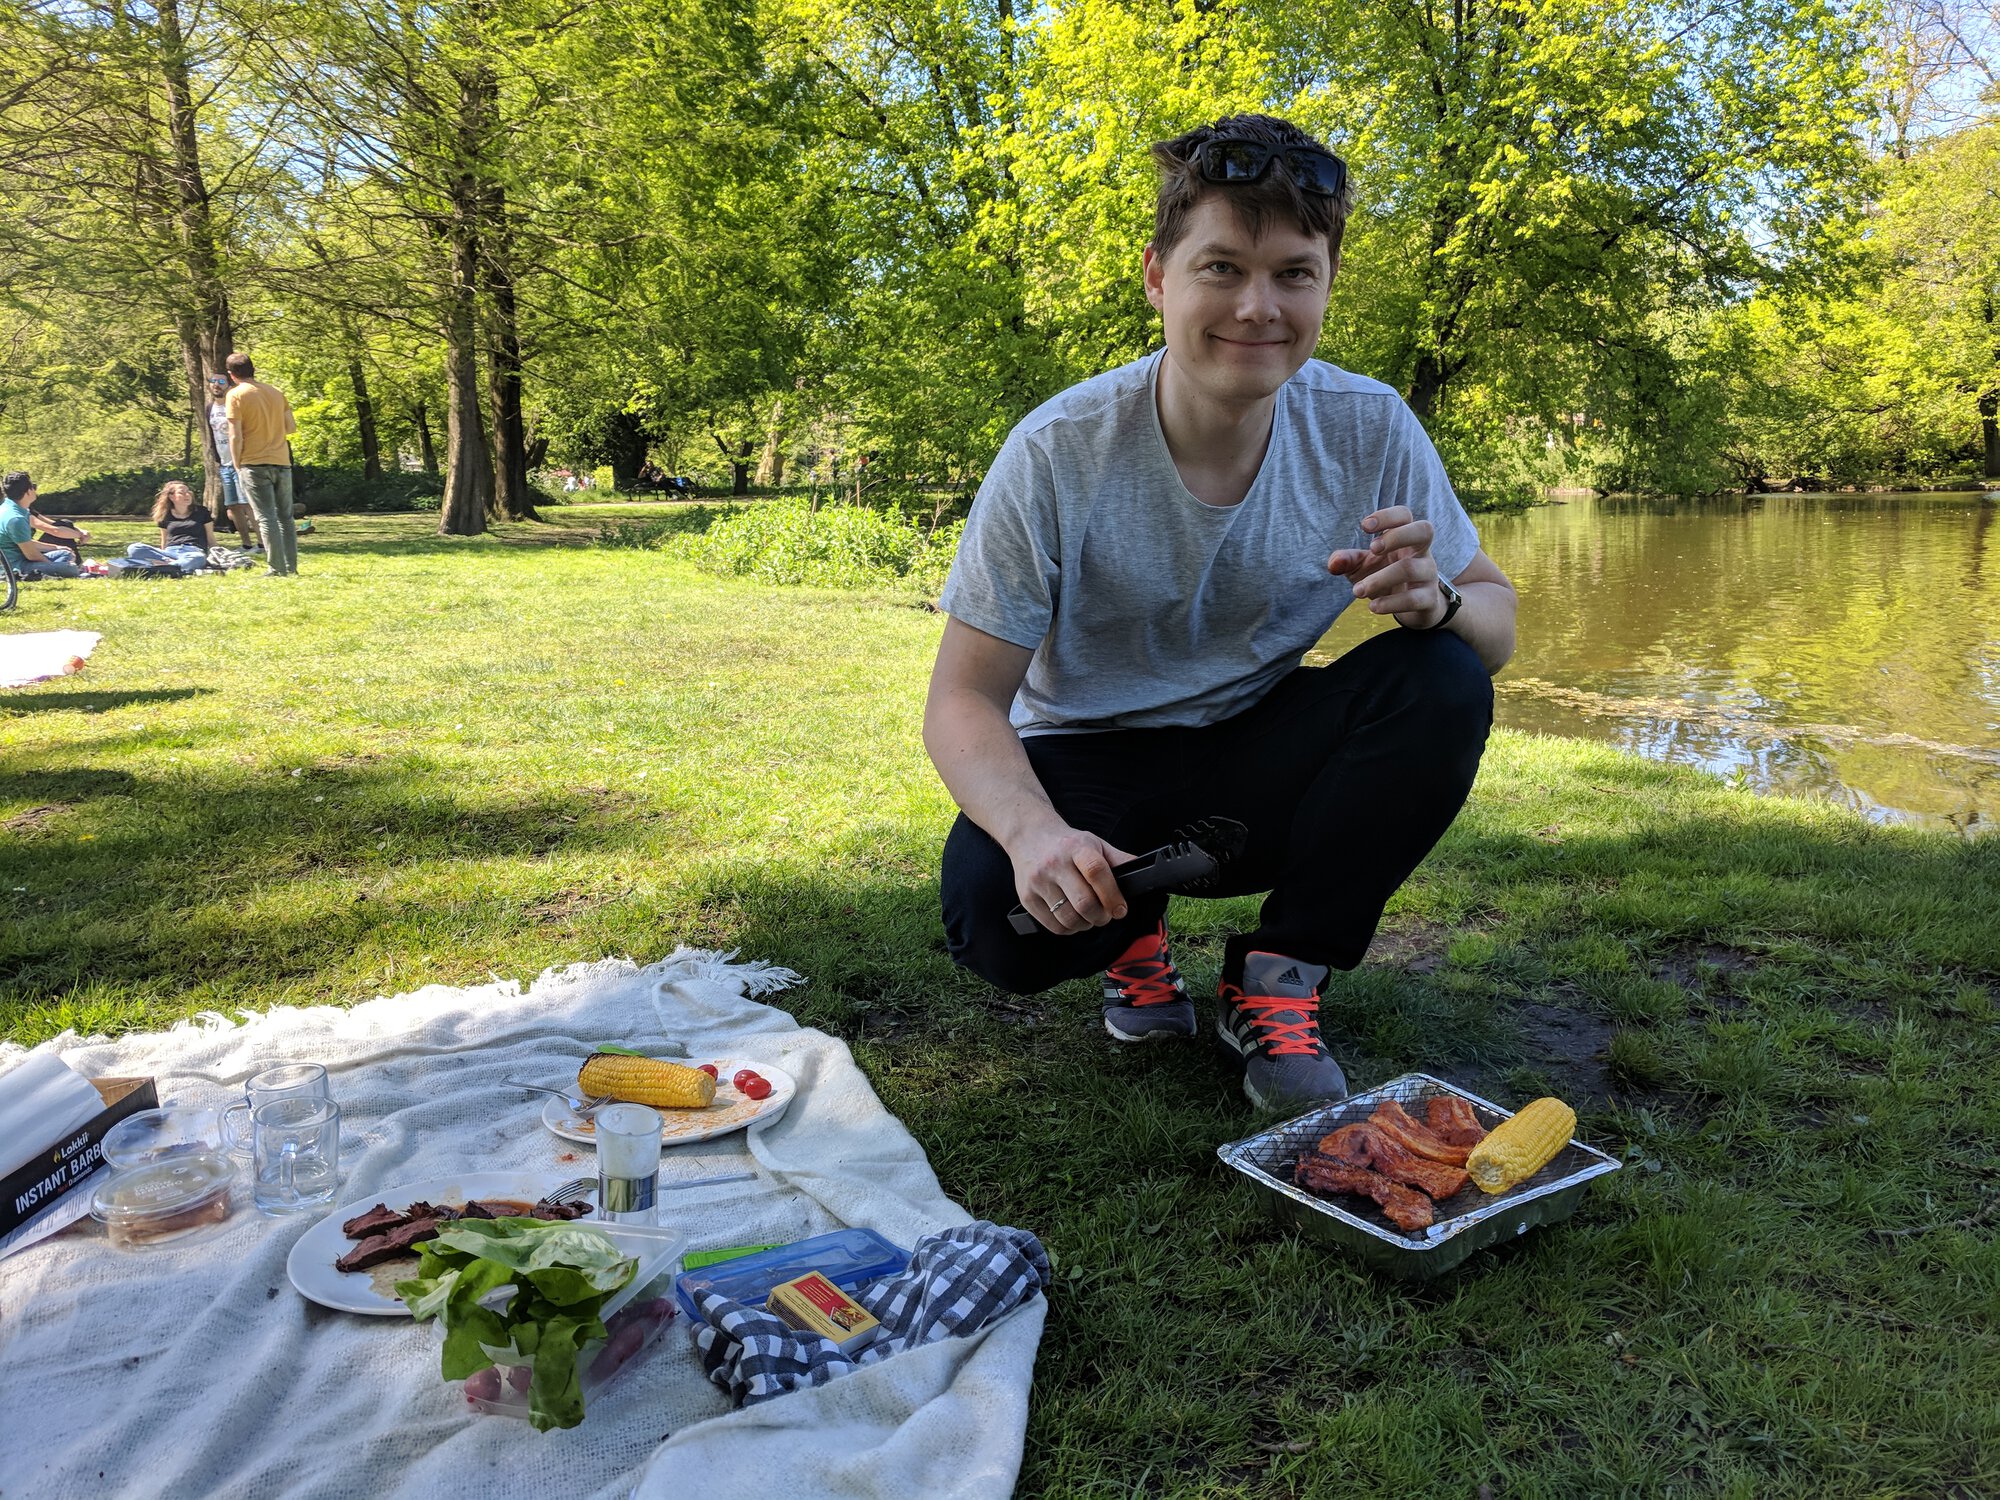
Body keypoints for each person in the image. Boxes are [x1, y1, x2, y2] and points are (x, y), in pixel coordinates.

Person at [923, 115, 1518, 1110]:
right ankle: (1131, 930)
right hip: (1087, 755)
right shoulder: (1057, 450)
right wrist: (1032, 835)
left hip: (1255, 747)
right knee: (996, 925)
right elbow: (962, 701)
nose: (1257, 307)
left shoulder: (1366, 422)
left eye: (1292, 273)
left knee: (1442, 674)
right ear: (1158, 277)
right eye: (1220, 268)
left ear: (1325, 286)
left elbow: (1495, 621)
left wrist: (1440, 600)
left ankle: (1279, 978)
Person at [222, 352, 300, 576]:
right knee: (286, 517)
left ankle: (276, 568)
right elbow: (291, 427)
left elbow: (235, 434)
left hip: (253, 463)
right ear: (253, 369)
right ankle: (291, 567)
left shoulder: (235, 395)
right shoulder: (276, 392)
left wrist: (236, 463)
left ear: (231, 375)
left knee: (266, 517)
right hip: (282, 461)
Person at [206, 373, 259, 550]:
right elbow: (213, 436)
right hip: (224, 464)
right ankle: (246, 544)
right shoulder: (209, 408)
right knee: (233, 505)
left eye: (221, 381)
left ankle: (261, 544)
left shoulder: (235, 404)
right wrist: (217, 459)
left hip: (241, 461)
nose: (216, 385)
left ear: (229, 384)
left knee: (247, 504)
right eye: (212, 381)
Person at [0, 471, 85, 579]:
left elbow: (26, 542)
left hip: (23, 558)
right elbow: (32, 555)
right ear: (28, 492)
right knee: (71, 568)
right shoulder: (16, 519)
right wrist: (50, 565)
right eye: (33, 486)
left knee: (65, 553)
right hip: (16, 566)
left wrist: (56, 547)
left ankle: (58, 567)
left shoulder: (12, 508)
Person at [123, 479, 215, 572]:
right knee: (134, 548)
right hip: (169, 552)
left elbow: (210, 538)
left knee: (198, 558)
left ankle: (166, 567)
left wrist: (215, 555)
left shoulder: (202, 512)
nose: (187, 495)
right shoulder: (165, 515)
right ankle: (173, 566)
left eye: (188, 492)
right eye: (182, 493)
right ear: (171, 497)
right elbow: (164, 541)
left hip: (192, 552)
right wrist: (163, 554)